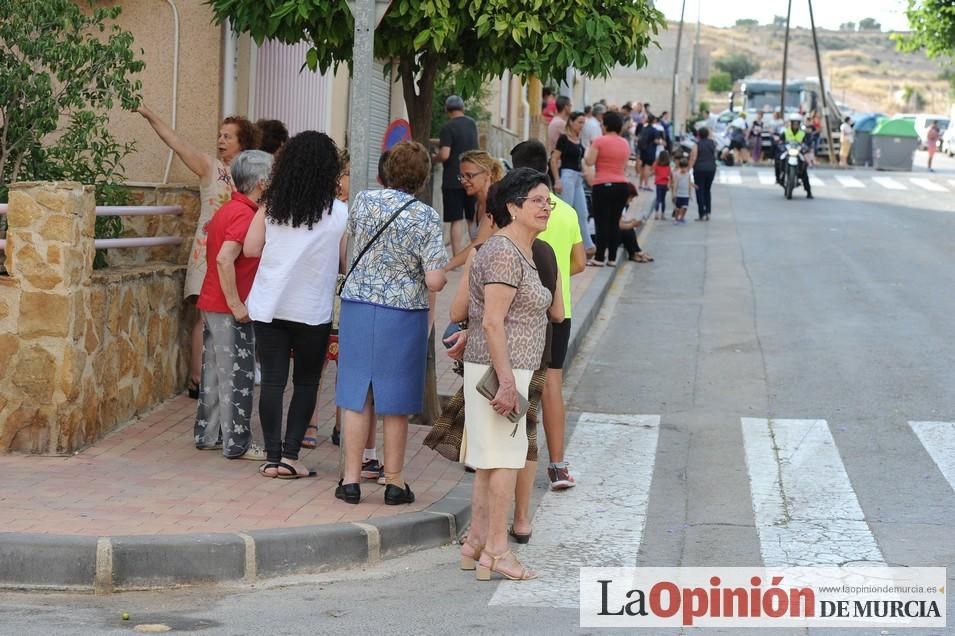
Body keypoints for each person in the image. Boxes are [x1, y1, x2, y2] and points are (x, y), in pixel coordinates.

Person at [458, 168, 561, 582]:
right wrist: (504, 382)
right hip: (503, 372)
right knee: (503, 462)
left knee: (490, 462)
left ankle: (477, 544)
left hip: (502, 368)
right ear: (513, 207)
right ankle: (499, 552)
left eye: (548, 200)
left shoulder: (519, 249)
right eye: (537, 200)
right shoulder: (504, 250)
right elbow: (494, 323)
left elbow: (487, 315)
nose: (546, 207)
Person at [336, 141, 448, 505]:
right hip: (402, 313)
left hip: (357, 306)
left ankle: (350, 480)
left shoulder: (364, 202)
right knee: (395, 399)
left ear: (388, 169)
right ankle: (394, 482)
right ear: (422, 178)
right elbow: (433, 281)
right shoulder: (427, 217)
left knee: (356, 395)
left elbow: (347, 248)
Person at [244, 131, 347, 479]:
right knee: (306, 383)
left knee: (273, 381)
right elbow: (346, 261)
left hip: (270, 305)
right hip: (311, 310)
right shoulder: (339, 213)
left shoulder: (271, 206)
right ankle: (291, 456)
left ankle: (272, 458)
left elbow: (250, 249)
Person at [136, 106, 257, 399]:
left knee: (237, 319)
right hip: (208, 254)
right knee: (205, 318)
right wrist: (149, 114)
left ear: (243, 143)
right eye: (220, 135)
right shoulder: (209, 167)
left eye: (229, 136)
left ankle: (225, 377)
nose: (221, 140)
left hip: (242, 257)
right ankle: (198, 380)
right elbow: (176, 142)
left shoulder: (253, 175)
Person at [511, 140, 586, 499]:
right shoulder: (568, 211)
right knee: (552, 384)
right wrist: (553, 283)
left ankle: (508, 457)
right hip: (561, 311)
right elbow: (581, 263)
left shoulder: (513, 210)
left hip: (519, 309)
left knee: (514, 382)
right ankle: (557, 464)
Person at [194, 150, 272, 461]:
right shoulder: (245, 215)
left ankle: (208, 434)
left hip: (212, 303)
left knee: (214, 374)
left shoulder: (229, 209)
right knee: (237, 377)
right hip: (228, 308)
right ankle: (237, 443)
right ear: (263, 184)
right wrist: (237, 304)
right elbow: (225, 257)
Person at [443, 150, 506, 272]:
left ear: (488, 174)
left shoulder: (496, 202)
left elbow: (479, 243)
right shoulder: (479, 203)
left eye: (469, 175)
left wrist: (444, 267)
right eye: (461, 176)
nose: (464, 181)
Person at [434, 96, 479, 257]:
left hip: (452, 179)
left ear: (447, 110)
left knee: (456, 220)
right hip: (471, 178)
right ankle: (475, 253)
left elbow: (445, 154)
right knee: (472, 218)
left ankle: (457, 257)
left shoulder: (448, 127)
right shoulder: (472, 124)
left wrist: (434, 158)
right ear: (463, 109)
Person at [585, 111, 631, 266]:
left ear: (606, 125)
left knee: (601, 222)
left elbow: (590, 161)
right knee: (614, 221)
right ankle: (612, 258)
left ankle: (599, 257)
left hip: (602, 184)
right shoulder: (625, 143)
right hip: (621, 185)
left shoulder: (599, 141)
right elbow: (624, 165)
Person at [550, 111, 594, 255]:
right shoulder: (564, 138)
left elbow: (580, 160)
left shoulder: (578, 138)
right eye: (580, 122)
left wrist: (585, 172)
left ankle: (587, 245)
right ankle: (561, 243)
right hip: (567, 176)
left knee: (582, 212)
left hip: (577, 178)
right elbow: (554, 159)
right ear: (571, 122)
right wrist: (557, 180)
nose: (582, 125)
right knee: (565, 212)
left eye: (583, 123)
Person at [780, 116, 813, 199]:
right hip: (788, 151)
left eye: (797, 124)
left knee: (804, 171)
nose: (795, 125)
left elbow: (807, 142)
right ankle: (779, 175)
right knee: (779, 159)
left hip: (798, 152)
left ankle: (808, 191)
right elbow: (780, 141)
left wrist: (806, 147)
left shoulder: (802, 133)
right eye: (794, 124)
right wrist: (780, 145)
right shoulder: (785, 132)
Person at [689, 126, 718, 220]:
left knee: (699, 191)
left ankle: (702, 213)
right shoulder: (712, 143)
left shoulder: (696, 145)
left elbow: (694, 158)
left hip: (699, 169)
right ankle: (708, 212)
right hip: (711, 169)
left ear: (698, 135)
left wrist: (688, 169)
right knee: (707, 190)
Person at [619, 182, 653, 262]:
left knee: (630, 230)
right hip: (607, 237)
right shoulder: (618, 206)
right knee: (628, 232)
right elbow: (619, 226)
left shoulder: (622, 206)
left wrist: (630, 222)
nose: (631, 201)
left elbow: (618, 222)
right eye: (630, 198)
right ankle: (635, 253)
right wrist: (632, 224)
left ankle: (636, 252)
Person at [636, 115, 661, 191]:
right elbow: (656, 141)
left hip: (643, 150)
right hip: (650, 151)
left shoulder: (644, 128)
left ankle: (640, 184)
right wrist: (660, 142)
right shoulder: (654, 130)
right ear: (654, 121)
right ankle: (646, 185)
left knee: (643, 167)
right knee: (647, 168)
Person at [671, 158, 695, 224]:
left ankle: (682, 217)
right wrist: (674, 193)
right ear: (680, 167)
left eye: (685, 167)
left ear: (687, 167)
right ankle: (676, 219)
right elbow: (675, 185)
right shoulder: (677, 175)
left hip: (686, 195)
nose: (683, 169)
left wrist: (690, 194)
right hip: (679, 194)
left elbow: (689, 184)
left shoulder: (688, 175)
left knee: (685, 207)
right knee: (677, 209)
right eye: (682, 167)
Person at [653, 151, 672, 221]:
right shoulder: (668, 166)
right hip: (665, 184)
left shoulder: (657, 164)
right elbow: (669, 175)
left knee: (658, 199)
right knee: (663, 200)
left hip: (658, 183)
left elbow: (654, 171)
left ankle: (656, 214)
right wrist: (669, 184)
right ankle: (663, 215)